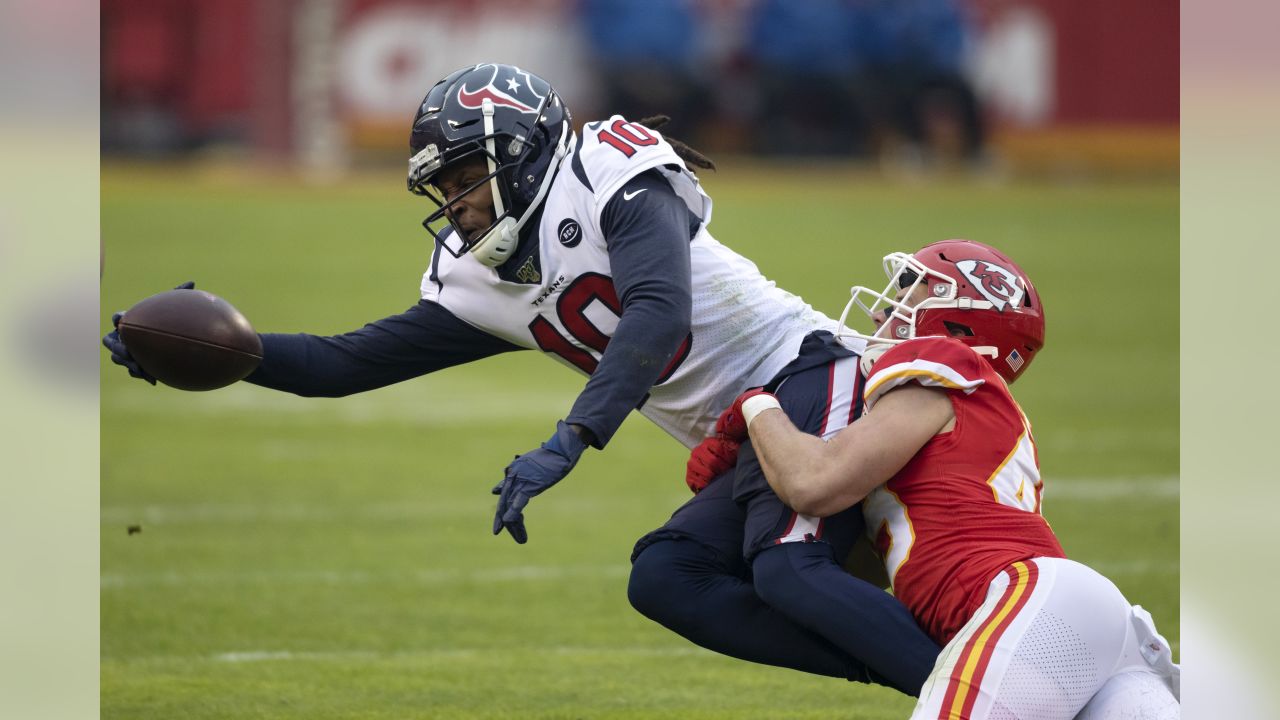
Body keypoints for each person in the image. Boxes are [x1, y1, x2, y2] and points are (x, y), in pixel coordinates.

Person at [103, 63, 938, 694]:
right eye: (444, 185)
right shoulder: (479, 280)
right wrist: (224, 350)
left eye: (466, 176)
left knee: (786, 572)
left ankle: (977, 698)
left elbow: (657, 311)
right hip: (749, 431)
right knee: (667, 580)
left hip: (809, 376)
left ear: (526, 154)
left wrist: (571, 439)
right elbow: (342, 364)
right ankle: (948, 679)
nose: (455, 202)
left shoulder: (609, 167)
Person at [704, 239, 1180, 718]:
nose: (879, 316)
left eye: (908, 295)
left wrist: (757, 406)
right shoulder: (969, 411)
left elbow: (814, 482)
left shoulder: (945, 363)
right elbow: (861, 567)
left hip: (1025, 605)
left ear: (956, 321)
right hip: (1064, 619)